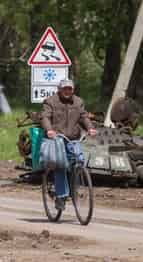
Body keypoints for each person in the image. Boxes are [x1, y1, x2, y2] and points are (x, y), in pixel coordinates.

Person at [41, 79, 97, 211]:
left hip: (73, 138)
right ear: (59, 89)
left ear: (73, 90)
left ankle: (74, 188)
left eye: (70, 89)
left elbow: (84, 117)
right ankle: (61, 196)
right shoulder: (50, 101)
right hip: (57, 138)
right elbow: (45, 117)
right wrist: (49, 130)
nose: (67, 91)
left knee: (79, 161)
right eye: (65, 89)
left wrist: (90, 128)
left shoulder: (78, 102)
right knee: (61, 166)